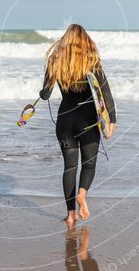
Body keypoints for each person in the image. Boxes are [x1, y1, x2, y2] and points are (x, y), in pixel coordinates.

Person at [39, 24, 116, 226]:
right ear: (86, 42)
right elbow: (105, 93)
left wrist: (42, 92)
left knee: (69, 167)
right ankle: (82, 194)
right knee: (89, 164)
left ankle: (71, 214)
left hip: (65, 121)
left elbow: (46, 95)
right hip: (88, 122)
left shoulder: (55, 61)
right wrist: (112, 120)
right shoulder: (92, 61)